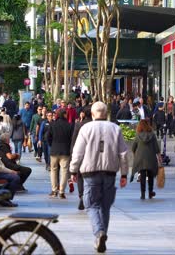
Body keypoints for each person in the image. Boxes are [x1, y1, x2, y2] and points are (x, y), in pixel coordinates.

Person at [70, 102, 128, 253]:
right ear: (106, 113)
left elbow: (78, 153)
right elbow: (123, 154)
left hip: (90, 172)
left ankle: (99, 233)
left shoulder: (85, 128)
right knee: (105, 206)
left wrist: (73, 170)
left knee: (91, 204)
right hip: (110, 172)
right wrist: (124, 174)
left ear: (93, 114)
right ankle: (102, 235)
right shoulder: (115, 128)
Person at [46, 109, 73, 199]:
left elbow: (47, 137)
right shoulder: (69, 126)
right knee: (64, 171)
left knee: (53, 170)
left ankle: (54, 190)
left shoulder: (52, 124)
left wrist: (51, 144)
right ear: (65, 115)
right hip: (65, 151)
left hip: (54, 150)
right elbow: (71, 139)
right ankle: (61, 191)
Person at [131, 120, 160, 200]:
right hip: (151, 158)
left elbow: (133, 148)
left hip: (140, 159)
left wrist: (136, 155)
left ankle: (142, 194)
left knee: (142, 177)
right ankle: (150, 193)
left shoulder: (138, 135)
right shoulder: (152, 135)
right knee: (151, 176)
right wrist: (159, 158)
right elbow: (157, 148)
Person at [70, 106, 92, 210]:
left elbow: (74, 142)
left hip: (81, 155)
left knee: (80, 177)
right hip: (93, 156)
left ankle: (81, 196)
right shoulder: (95, 126)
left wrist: (72, 157)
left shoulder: (78, 125)